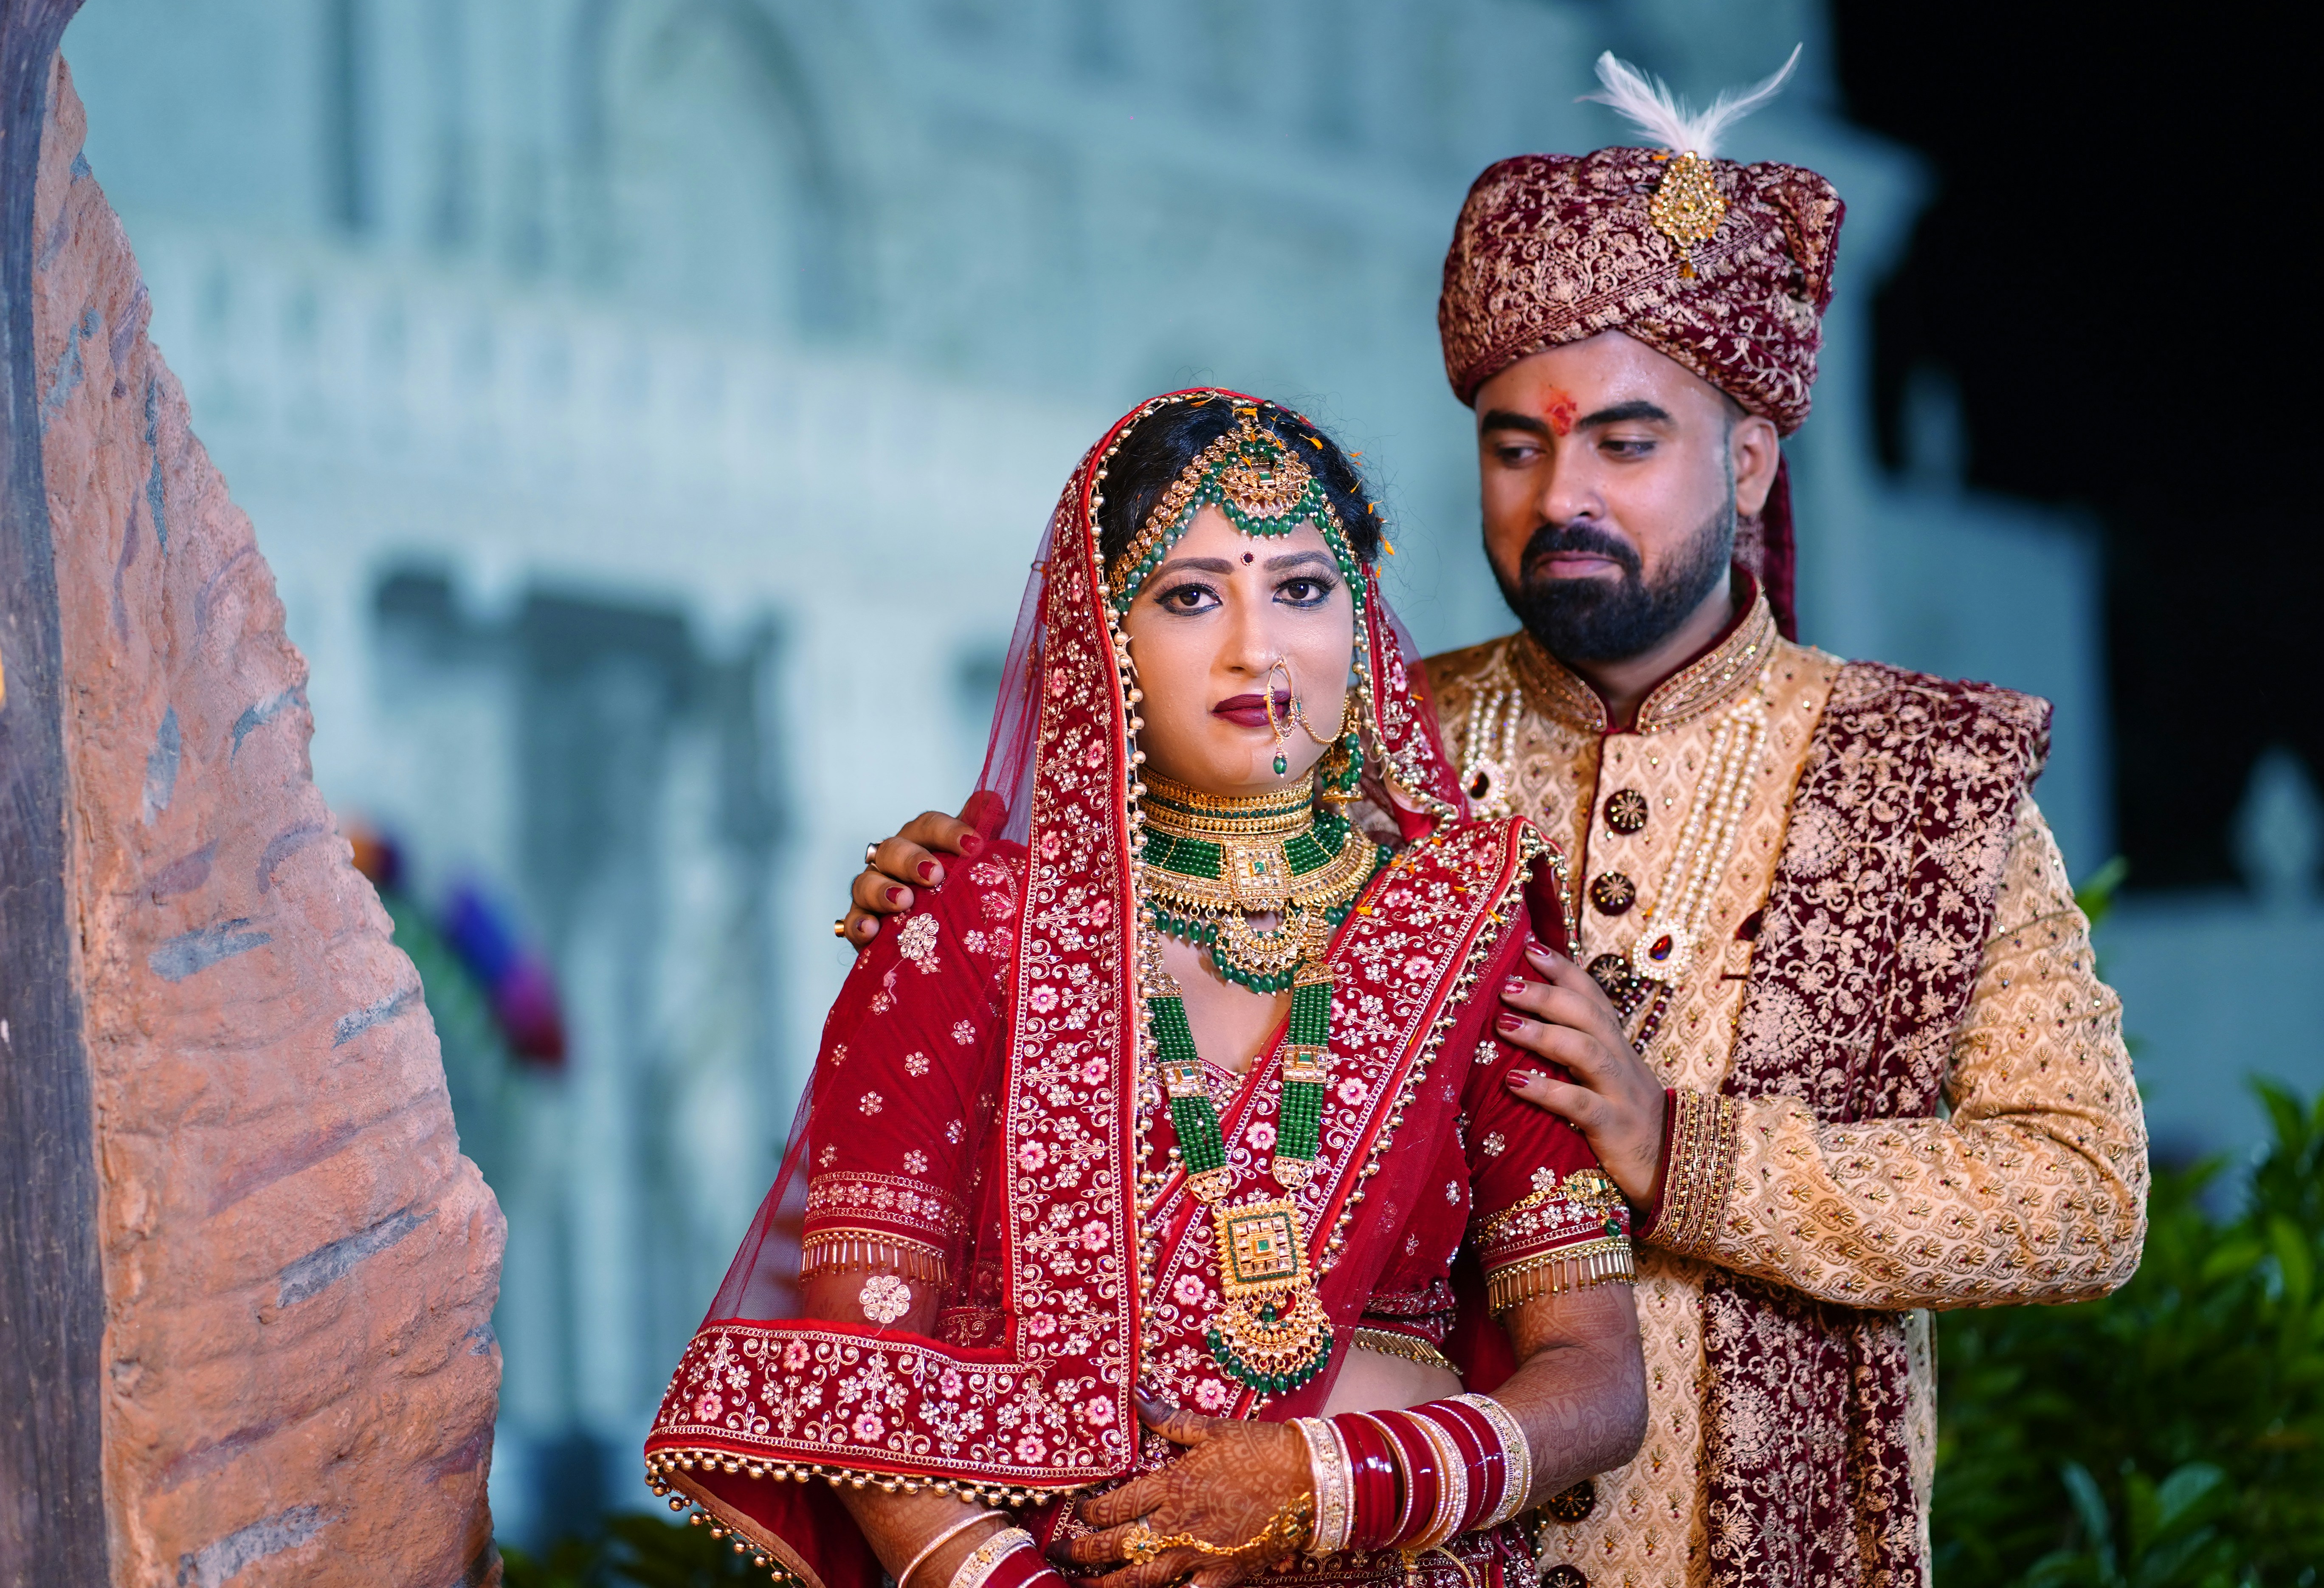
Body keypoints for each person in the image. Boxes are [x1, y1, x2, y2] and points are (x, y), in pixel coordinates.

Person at [837, 59, 2149, 1587]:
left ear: (1750, 461)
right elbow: (1127, 917)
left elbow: (2086, 1196)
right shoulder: (1348, 737)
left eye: (1626, 443)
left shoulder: (1928, 784)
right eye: (1517, 446)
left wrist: (1688, 1155)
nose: (1560, 494)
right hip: (1362, 1545)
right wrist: (964, 891)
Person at [645, 390, 1649, 1588]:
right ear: (1102, 638)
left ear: (1361, 622)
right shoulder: (969, 928)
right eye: (1190, 597)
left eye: (1302, 588)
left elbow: (1595, 1379)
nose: (1257, 648)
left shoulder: (1466, 922)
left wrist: (1320, 1487)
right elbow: (866, 1372)